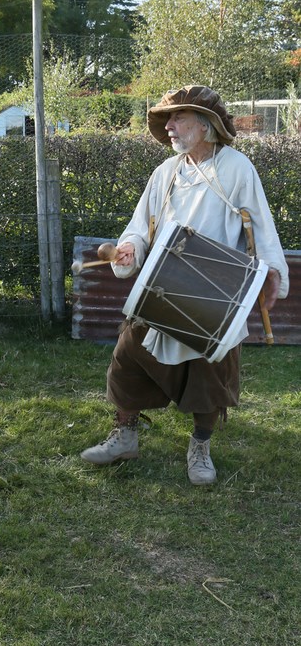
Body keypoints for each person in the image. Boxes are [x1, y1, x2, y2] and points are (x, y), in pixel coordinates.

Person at [80, 85, 289, 485]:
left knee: (210, 376)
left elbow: (260, 224)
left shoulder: (237, 167)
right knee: (127, 357)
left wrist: (270, 274)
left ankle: (201, 448)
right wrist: (128, 249)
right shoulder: (166, 173)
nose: (170, 127)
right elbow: (141, 229)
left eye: (178, 118)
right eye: (167, 121)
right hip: (163, 291)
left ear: (206, 124)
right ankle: (124, 435)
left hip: (217, 295)